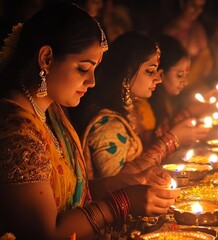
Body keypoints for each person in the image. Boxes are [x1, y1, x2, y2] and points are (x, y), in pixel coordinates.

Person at [0, 2, 181, 240]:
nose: (92, 81)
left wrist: (129, 182)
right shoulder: (15, 131)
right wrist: (123, 202)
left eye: (95, 69)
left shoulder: (51, 112)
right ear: (46, 58)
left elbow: (75, 196)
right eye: (83, 68)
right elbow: (48, 234)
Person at [68, 31, 210, 180]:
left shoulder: (137, 110)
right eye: (150, 71)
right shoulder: (107, 125)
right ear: (127, 72)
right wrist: (172, 140)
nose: (158, 79)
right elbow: (118, 183)